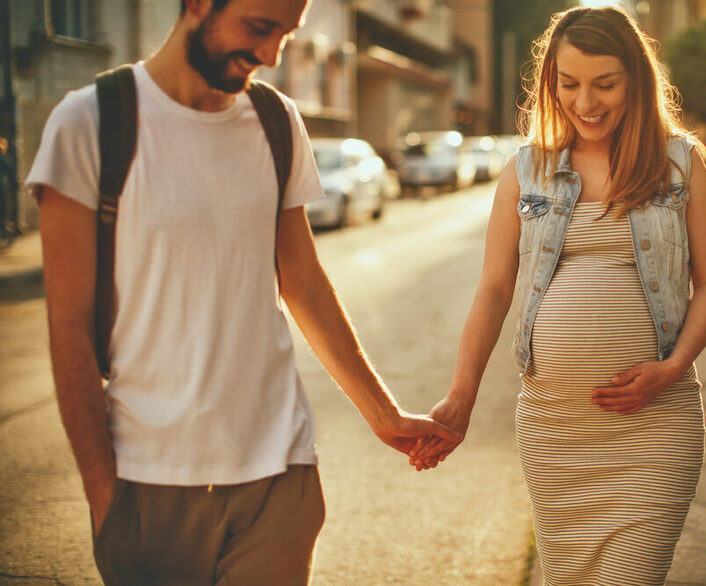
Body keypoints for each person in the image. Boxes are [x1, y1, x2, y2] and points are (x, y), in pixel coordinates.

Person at [26, 0, 459, 583]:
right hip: (149, 485)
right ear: (199, 5)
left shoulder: (276, 121)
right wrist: (106, 501)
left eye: (286, 34)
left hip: (279, 479)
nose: (270, 54)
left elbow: (303, 283)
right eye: (259, 27)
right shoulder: (90, 123)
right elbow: (68, 330)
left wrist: (383, 415)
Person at [411, 6, 706, 585]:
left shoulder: (681, 163)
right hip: (554, 430)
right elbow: (493, 288)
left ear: (636, 77)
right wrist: (460, 397)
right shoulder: (526, 171)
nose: (587, 102)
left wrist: (675, 365)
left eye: (605, 83)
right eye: (570, 84)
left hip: (656, 428)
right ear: (551, 84)